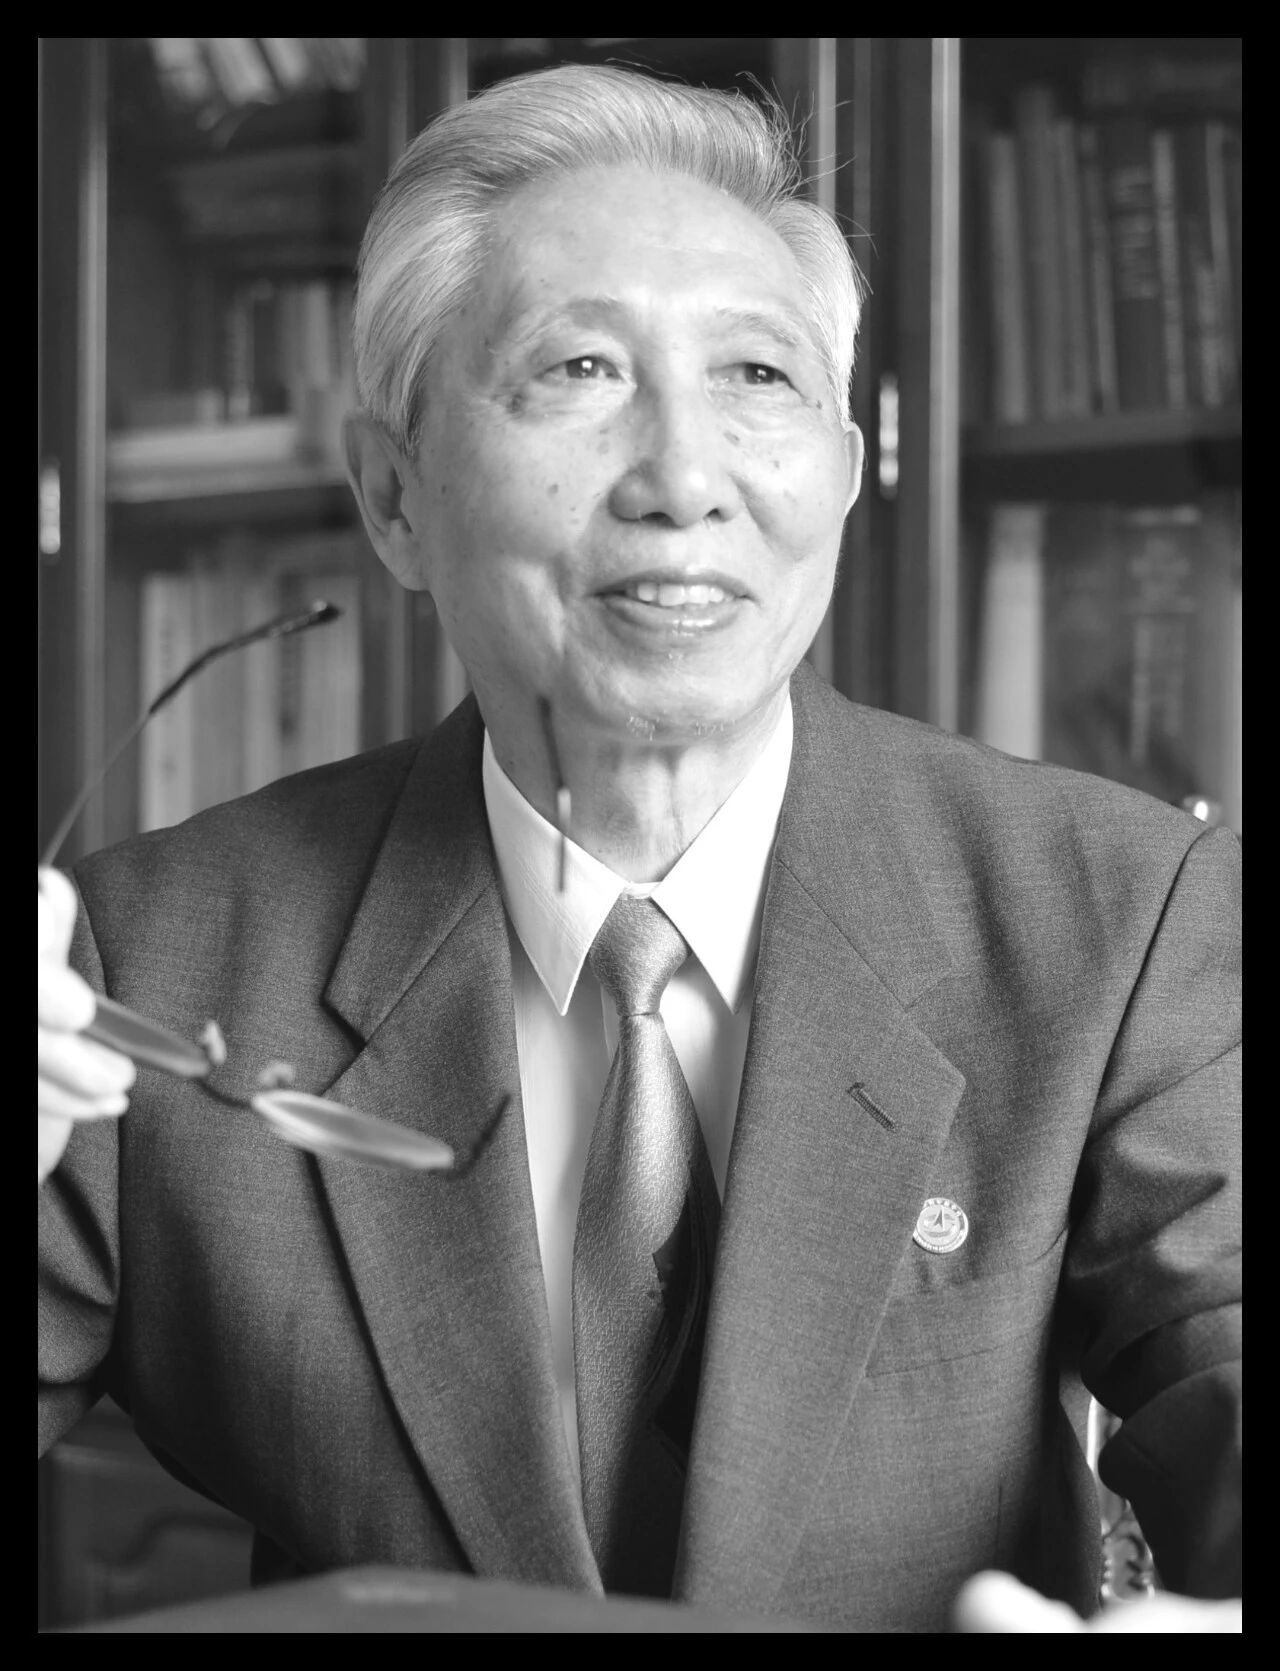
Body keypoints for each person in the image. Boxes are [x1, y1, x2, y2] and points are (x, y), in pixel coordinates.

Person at [38, 64, 1240, 1633]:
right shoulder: (149, 961)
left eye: (757, 375)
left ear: (847, 467)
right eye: (580, 368)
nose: (684, 482)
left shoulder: (1113, 914)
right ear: (393, 496)